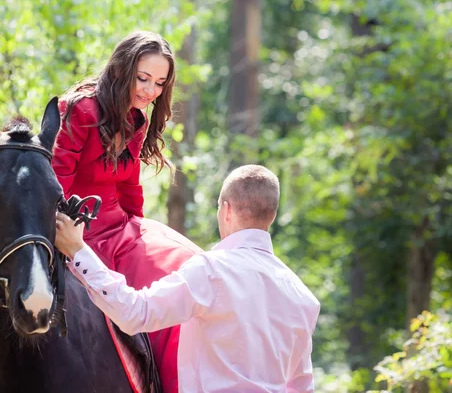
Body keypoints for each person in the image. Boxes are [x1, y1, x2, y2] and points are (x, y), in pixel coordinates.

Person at [55, 165, 321, 393]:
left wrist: (78, 251)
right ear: (271, 216)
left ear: (225, 210)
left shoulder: (212, 271)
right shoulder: (302, 296)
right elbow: (300, 387)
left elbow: (136, 312)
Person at [51, 31, 202, 393]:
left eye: (160, 83)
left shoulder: (138, 120)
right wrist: (65, 239)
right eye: (143, 78)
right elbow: (57, 183)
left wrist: (139, 227)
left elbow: (129, 185)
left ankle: (178, 383)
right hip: (79, 229)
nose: (150, 91)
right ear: (122, 68)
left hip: (121, 226)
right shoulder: (80, 109)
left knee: (189, 267)